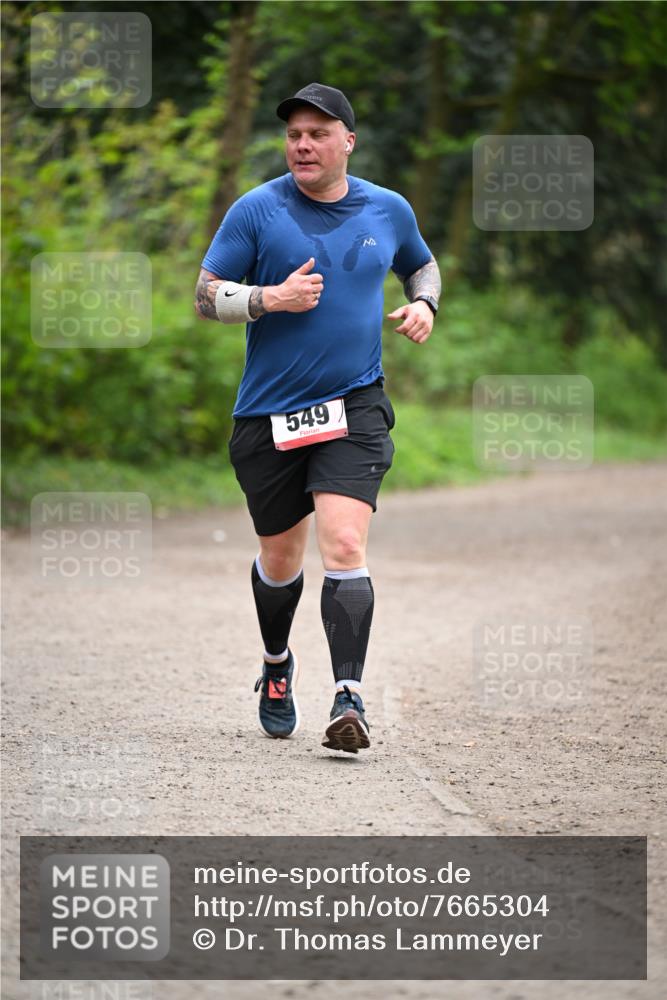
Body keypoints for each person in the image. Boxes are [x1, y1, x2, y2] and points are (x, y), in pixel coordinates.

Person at [195, 83, 441, 754]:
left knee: (342, 545)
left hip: (353, 406)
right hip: (268, 414)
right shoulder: (257, 209)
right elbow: (203, 295)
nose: (302, 144)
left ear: (347, 143)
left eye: (317, 133)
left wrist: (425, 305)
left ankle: (349, 697)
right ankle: (276, 665)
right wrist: (268, 298)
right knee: (281, 558)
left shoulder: (386, 208)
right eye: (294, 134)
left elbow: (422, 267)